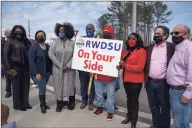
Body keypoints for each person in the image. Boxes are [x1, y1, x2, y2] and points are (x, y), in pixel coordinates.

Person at [145, 25, 175, 128]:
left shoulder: (172, 47)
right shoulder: (149, 48)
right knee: (153, 107)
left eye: (159, 34)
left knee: (165, 108)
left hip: (163, 83)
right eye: (155, 33)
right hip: (150, 83)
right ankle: (156, 125)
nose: (156, 36)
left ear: (165, 35)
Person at [117, 33, 146, 128]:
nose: (131, 40)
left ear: (137, 40)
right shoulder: (127, 51)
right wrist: (120, 66)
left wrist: (125, 66)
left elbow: (140, 68)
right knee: (129, 99)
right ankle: (128, 117)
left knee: (134, 101)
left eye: (133, 38)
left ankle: (134, 121)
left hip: (135, 82)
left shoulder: (141, 51)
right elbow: (123, 64)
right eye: (129, 38)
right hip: (126, 80)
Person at [167, 25, 192, 128]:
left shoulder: (189, 48)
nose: (173, 35)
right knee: (177, 121)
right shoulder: (178, 47)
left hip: (182, 91)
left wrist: (188, 93)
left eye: (177, 33)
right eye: (172, 33)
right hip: (174, 90)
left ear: (185, 35)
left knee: (181, 123)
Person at [3, 25, 32, 111]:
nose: (18, 32)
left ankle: (26, 103)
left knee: (26, 87)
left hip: (26, 68)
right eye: (17, 31)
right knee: (17, 87)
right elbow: (5, 55)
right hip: (15, 67)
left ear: (23, 32)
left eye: (20, 31)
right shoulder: (10, 41)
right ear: (14, 32)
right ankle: (19, 105)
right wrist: (8, 68)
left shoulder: (26, 41)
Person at [49, 22, 76, 112]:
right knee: (58, 85)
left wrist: (68, 65)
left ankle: (71, 102)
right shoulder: (55, 42)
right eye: (59, 31)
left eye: (63, 31)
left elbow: (75, 55)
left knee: (70, 85)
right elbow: (51, 54)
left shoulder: (72, 43)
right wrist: (59, 65)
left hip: (69, 69)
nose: (61, 32)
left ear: (67, 32)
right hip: (57, 68)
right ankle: (59, 103)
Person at [93, 25, 117, 121]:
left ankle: (110, 111)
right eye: (105, 33)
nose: (106, 34)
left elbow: (123, 56)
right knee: (98, 94)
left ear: (112, 34)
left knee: (110, 96)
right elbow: (91, 56)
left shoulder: (116, 45)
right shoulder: (97, 44)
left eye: (108, 33)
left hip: (110, 77)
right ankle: (99, 107)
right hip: (98, 75)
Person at [28, 30, 53, 114]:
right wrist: (36, 73)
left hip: (47, 72)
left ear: (45, 37)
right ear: (36, 37)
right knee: (42, 89)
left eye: (42, 35)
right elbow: (32, 62)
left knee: (43, 88)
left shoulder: (48, 47)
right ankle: (42, 105)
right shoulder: (33, 48)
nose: (40, 37)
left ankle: (44, 103)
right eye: (38, 36)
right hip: (39, 73)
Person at [79, 23, 95, 110]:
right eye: (87, 29)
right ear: (85, 30)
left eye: (91, 29)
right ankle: (84, 101)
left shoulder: (98, 41)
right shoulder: (81, 40)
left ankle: (91, 102)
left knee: (92, 86)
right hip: (82, 68)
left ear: (94, 30)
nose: (89, 30)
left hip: (93, 68)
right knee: (83, 85)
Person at [3, 29, 12, 98]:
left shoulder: (14, 41)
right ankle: (8, 91)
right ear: (5, 34)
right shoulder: (3, 42)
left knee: (14, 78)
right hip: (6, 63)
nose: (9, 33)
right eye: (8, 33)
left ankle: (16, 90)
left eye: (10, 32)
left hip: (14, 63)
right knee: (8, 78)